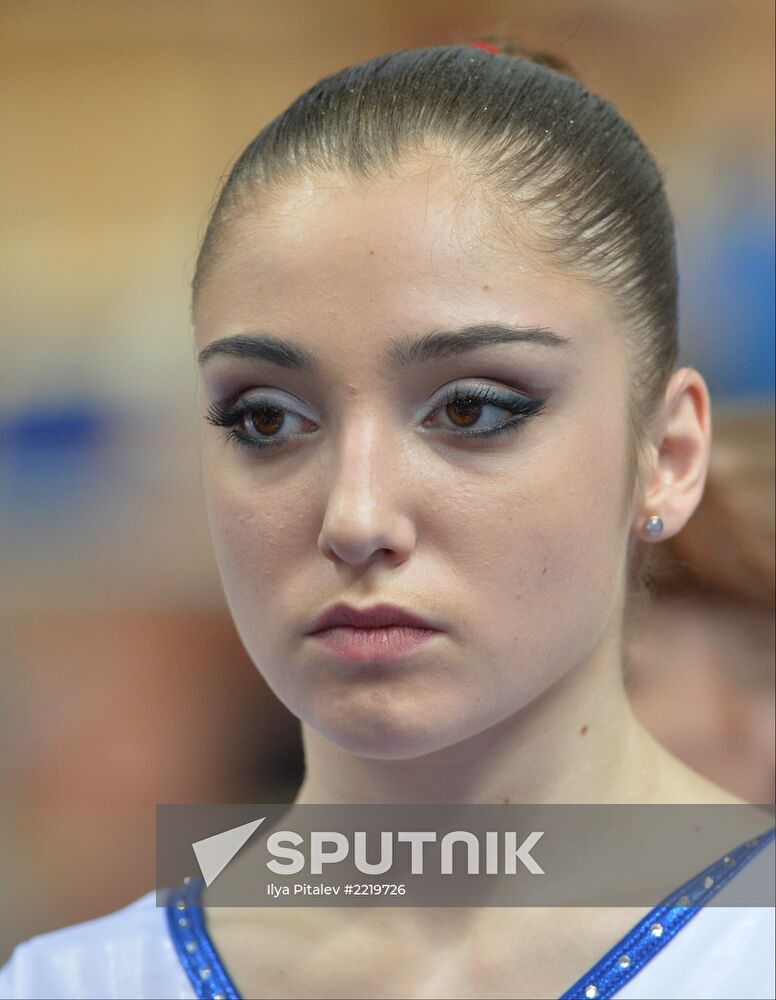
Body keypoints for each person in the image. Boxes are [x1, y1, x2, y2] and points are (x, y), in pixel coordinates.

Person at [1, 38, 773, 1000]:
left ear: (669, 456)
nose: (356, 516)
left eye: (472, 409)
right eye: (267, 418)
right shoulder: (66, 986)